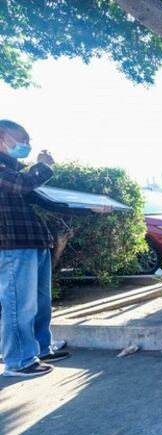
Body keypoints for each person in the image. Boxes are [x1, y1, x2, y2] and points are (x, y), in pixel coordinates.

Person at [0, 119, 71, 378]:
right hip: (12, 244)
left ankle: (40, 348)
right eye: (22, 140)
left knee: (40, 302)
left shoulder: (13, 168)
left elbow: (42, 196)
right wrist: (42, 166)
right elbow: (21, 185)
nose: (27, 146)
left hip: (32, 242)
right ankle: (18, 360)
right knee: (19, 303)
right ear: (2, 137)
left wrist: (91, 208)